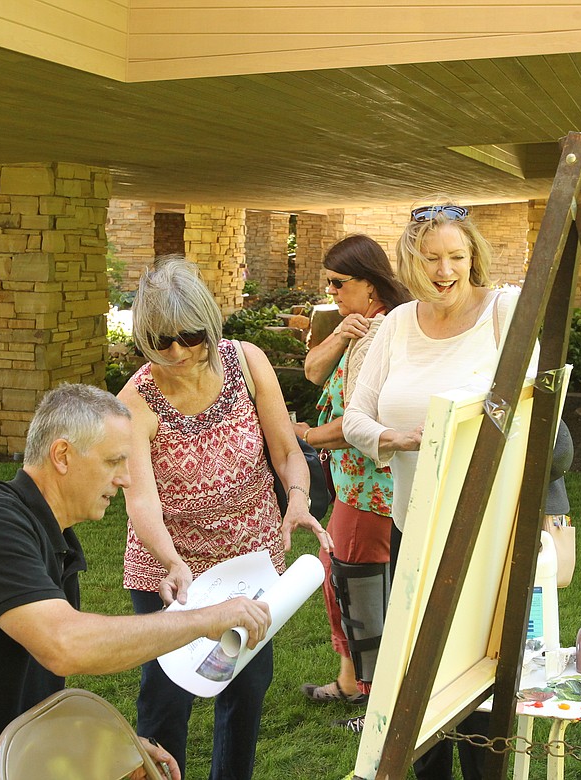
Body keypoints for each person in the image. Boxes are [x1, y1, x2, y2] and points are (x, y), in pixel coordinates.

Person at [0, 383, 273, 780]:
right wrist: (204, 619)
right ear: (62, 455)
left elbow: (36, 698)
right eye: (115, 460)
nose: (126, 477)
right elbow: (67, 644)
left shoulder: (54, 544)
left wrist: (119, 747)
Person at [342, 201, 539, 780]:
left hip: (485, 533)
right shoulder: (397, 325)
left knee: (476, 681)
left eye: (456, 256)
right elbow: (355, 417)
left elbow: (534, 418)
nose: (444, 270)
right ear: (410, 262)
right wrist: (398, 437)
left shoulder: (504, 312)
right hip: (414, 531)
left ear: (473, 256)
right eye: (431, 259)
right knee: (418, 683)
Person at [117, 257, 332, 780]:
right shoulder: (134, 401)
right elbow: (141, 501)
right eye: (161, 341)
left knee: (246, 685)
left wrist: (298, 496)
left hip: (251, 562)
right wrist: (170, 561)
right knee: (167, 699)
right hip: (172, 572)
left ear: (209, 324)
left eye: (190, 336)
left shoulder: (247, 362)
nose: (178, 352)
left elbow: (284, 451)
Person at [293, 235, 412, 733]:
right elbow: (313, 370)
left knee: (368, 598)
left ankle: (380, 709)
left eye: (340, 283)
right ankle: (349, 682)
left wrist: (303, 433)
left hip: (372, 490)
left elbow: (355, 426)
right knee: (340, 582)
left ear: (371, 282)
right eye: (329, 283)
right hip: (351, 487)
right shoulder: (359, 329)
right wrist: (342, 332)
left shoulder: (386, 332)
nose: (333, 291)